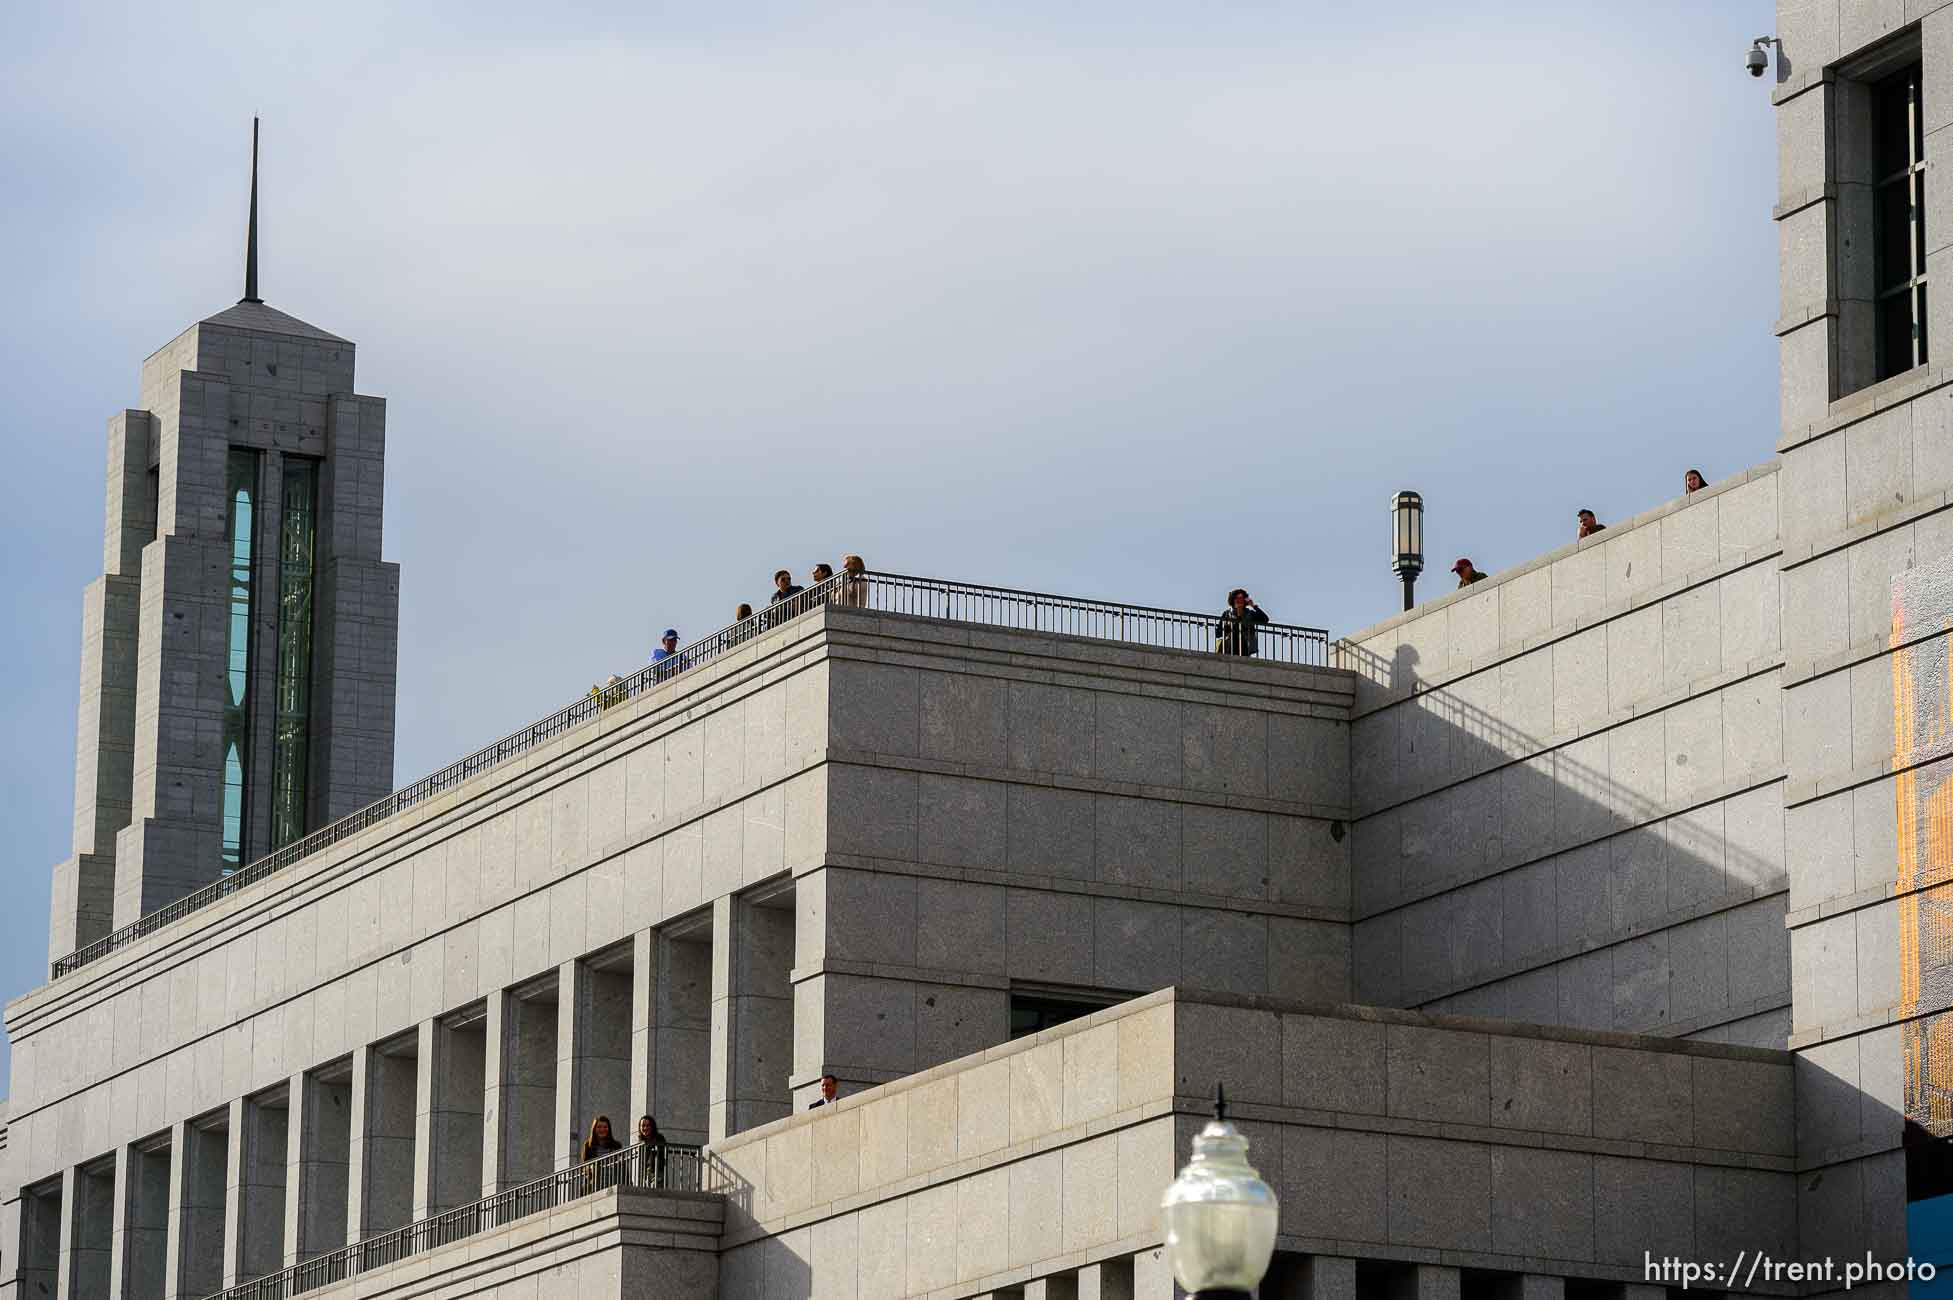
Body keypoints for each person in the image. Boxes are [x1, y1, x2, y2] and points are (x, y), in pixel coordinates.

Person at [1213, 589, 1270, 657]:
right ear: (1233, 600)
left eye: (1242, 598)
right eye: (1237, 598)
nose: (1240, 600)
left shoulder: (1250, 614)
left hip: (1245, 646)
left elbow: (1265, 619)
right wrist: (1227, 628)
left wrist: (1253, 606)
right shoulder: (1227, 614)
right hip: (1229, 647)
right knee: (1232, 636)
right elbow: (1218, 633)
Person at [635, 1113, 667, 1186]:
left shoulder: (659, 1138)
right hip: (645, 1174)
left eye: (648, 1125)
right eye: (643, 1126)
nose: (645, 1128)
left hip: (657, 1172)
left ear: (652, 1127)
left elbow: (661, 1154)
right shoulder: (641, 1141)